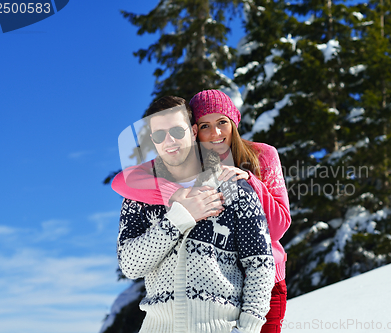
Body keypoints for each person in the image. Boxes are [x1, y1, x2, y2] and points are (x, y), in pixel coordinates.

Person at [112, 90, 291, 333]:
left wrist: (250, 181)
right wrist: (177, 204)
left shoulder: (254, 164)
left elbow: (270, 242)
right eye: (206, 125)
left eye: (222, 123)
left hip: (266, 283)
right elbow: (123, 181)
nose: (215, 134)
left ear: (190, 131)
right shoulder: (143, 191)